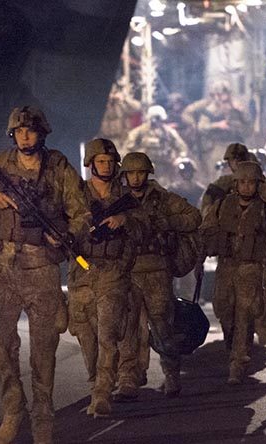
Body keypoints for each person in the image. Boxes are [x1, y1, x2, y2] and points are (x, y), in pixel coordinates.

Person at [0, 106, 90, 443]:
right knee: (1, 342)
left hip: (43, 266)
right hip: (5, 267)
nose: (25, 136)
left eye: (31, 130)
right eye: (19, 131)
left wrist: (63, 235)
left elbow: (80, 213)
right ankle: (13, 408)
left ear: (42, 133)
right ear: (12, 134)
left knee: (44, 348)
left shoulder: (58, 167)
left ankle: (43, 415)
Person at [116, 152, 201, 398]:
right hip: (129, 271)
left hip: (157, 271)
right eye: (130, 173)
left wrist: (165, 221)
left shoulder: (162, 199)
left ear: (148, 173)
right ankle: (127, 379)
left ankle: (171, 374)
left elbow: (193, 217)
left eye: (140, 172)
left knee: (163, 325)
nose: (135, 177)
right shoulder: (118, 200)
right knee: (128, 328)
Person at [68, 138, 143, 416]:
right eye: (101, 161)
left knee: (107, 334)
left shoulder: (126, 198)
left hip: (113, 271)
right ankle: (96, 379)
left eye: (111, 162)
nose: (107, 166)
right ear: (91, 164)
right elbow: (64, 226)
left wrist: (125, 221)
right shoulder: (77, 196)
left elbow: (144, 227)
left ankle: (101, 392)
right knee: (84, 332)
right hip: (81, 269)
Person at [197, 161, 266, 383]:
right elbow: (205, 232)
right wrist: (198, 259)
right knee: (223, 309)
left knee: (244, 313)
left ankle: (238, 361)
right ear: (236, 184)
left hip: (252, 268)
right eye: (243, 182)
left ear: (258, 185)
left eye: (251, 183)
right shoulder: (220, 207)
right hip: (226, 266)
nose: (247, 187)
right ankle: (233, 344)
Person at [182, 80, 250, 184]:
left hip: (235, 145)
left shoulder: (236, 107)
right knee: (216, 175)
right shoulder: (210, 109)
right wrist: (217, 125)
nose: (223, 97)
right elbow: (201, 126)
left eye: (225, 94)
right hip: (217, 145)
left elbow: (248, 125)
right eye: (220, 94)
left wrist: (241, 112)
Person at [167, 157, 206, 299]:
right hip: (180, 231)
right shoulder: (174, 189)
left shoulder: (175, 189)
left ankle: (188, 295)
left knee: (190, 263)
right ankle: (185, 295)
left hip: (189, 230)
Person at [122, 105, 189, 187]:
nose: (156, 122)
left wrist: (179, 159)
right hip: (146, 169)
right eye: (155, 118)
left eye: (159, 119)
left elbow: (182, 147)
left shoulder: (168, 132)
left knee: (165, 189)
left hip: (165, 168)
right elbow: (127, 149)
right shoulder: (140, 132)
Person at [98, 84, 142, 150]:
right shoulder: (100, 106)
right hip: (104, 141)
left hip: (121, 141)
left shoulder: (121, 104)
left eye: (113, 92)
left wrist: (125, 98)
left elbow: (137, 108)